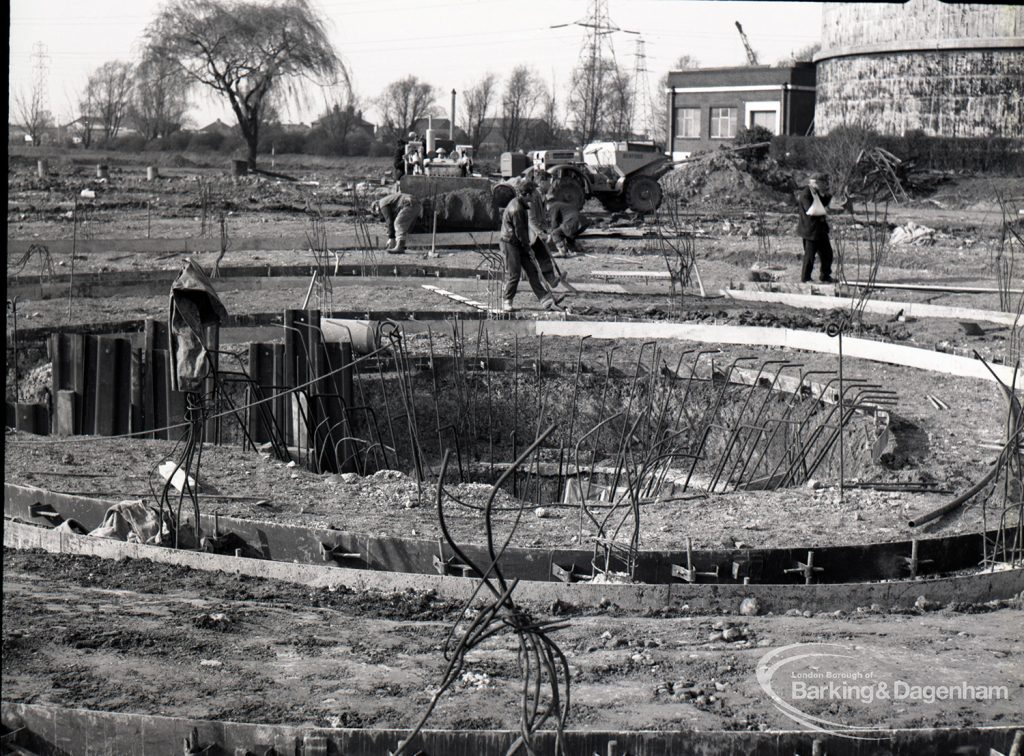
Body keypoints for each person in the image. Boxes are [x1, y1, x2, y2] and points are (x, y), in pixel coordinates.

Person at [500, 180, 564, 312]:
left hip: (518, 242)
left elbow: (522, 233)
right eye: (533, 194)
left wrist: (526, 247)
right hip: (510, 243)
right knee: (515, 273)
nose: (534, 196)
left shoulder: (522, 205)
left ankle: (545, 299)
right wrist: (528, 248)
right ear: (526, 194)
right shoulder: (516, 208)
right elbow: (520, 232)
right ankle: (507, 301)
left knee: (532, 270)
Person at [795, 171, 844, 283]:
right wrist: (826, 210)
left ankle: (825, 276)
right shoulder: (806, 194)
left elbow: (823, 202)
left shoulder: (816, 193)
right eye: (823, 182)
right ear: (815, 182)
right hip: (810, 230)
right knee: (810, 256)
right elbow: (810, 210)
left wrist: (831, 194)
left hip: (820, 230)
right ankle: (805, 278)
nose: (825, 185)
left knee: (827, 254)